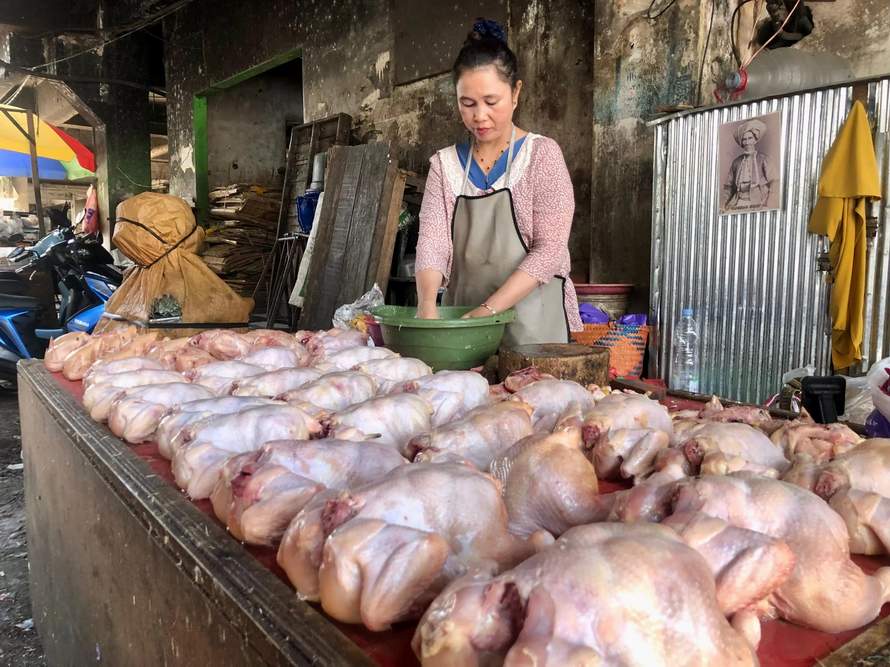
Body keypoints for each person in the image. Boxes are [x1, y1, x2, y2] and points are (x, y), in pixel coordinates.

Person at [414, 19, 582, 347]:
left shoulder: (541, 156)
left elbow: (550, 250)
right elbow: (432, 244)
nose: (480, 116)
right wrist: (427, 308)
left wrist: (488, 310)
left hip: (534, 328)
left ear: (516, 93)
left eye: (491, 102)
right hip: (463, 329)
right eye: (468, 103)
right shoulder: (444, 166)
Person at [723, 119, 775, 211]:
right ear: (741, 143)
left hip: (759, 202)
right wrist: (723, 205)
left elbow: (775, 182)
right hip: (738, 202)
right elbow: (728, 187)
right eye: (744, 140)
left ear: (755, 140)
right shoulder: (736, 162)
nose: (747, 142)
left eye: (750, 138)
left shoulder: (763, 159)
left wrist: (769, 203)